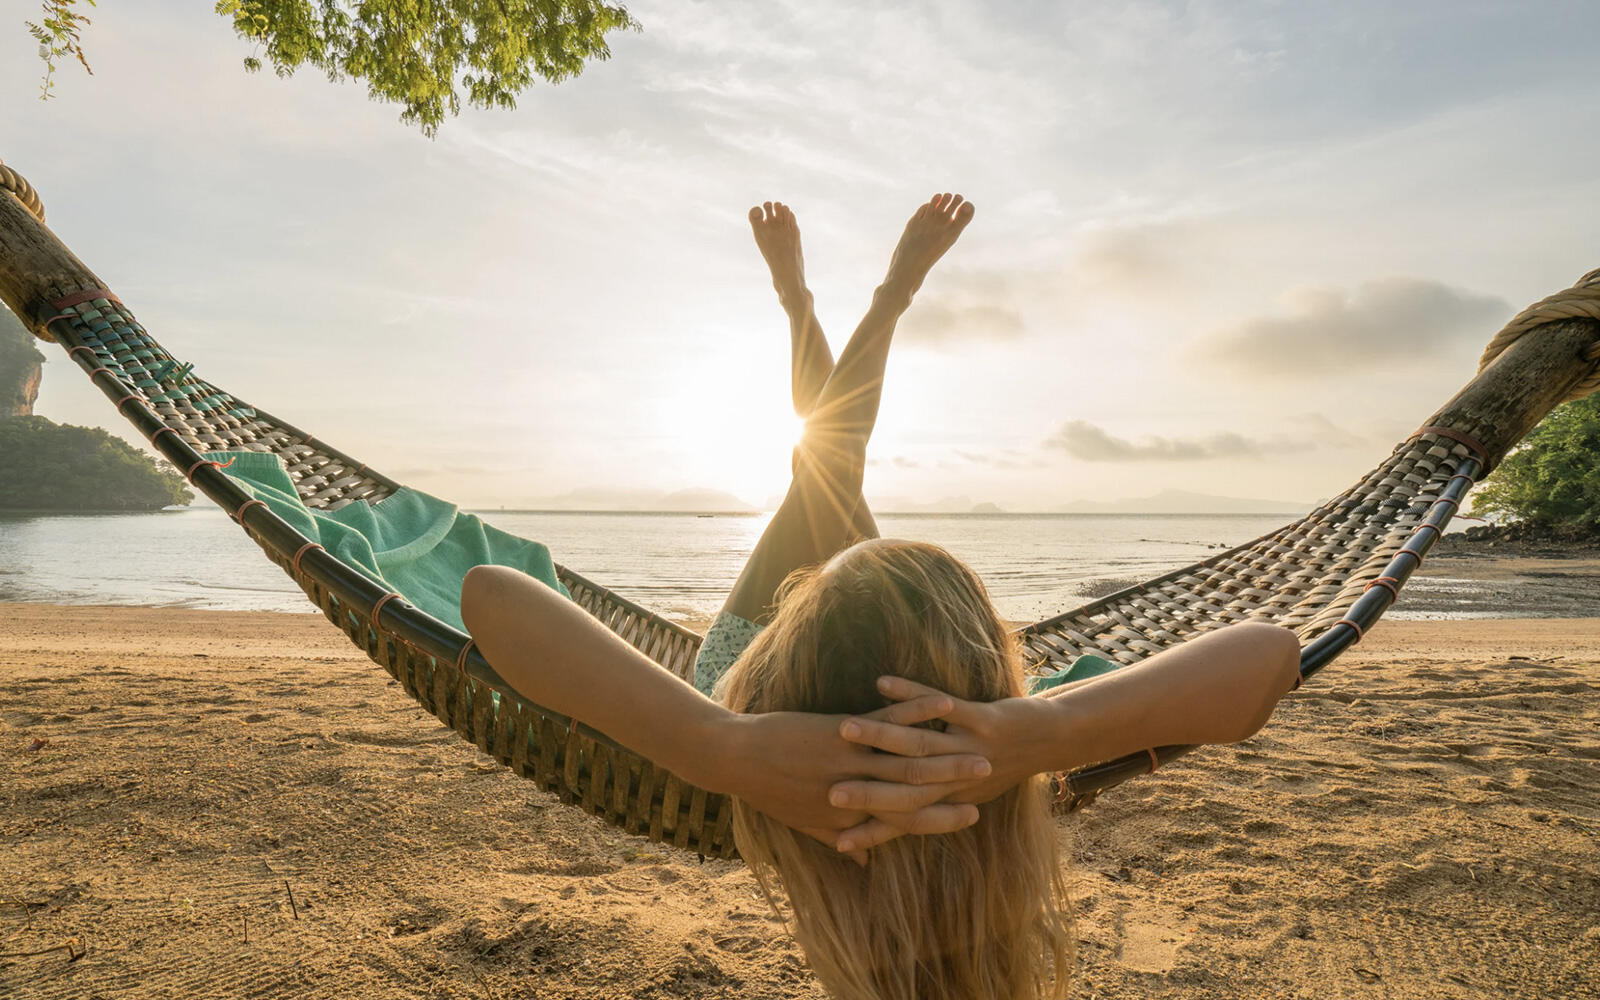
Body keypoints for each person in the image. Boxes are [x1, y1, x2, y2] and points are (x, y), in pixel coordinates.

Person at [460, 194, 1302, 999]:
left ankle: (845, 301)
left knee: (826, 467)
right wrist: (1042, 731)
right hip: (867, 677)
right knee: (827, 468)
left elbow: (491, 597)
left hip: (761, 690)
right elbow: (1270, 653)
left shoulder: (770, 748)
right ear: (993, 669)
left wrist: (718, 743)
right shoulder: (992, 749)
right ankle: (853, 301)